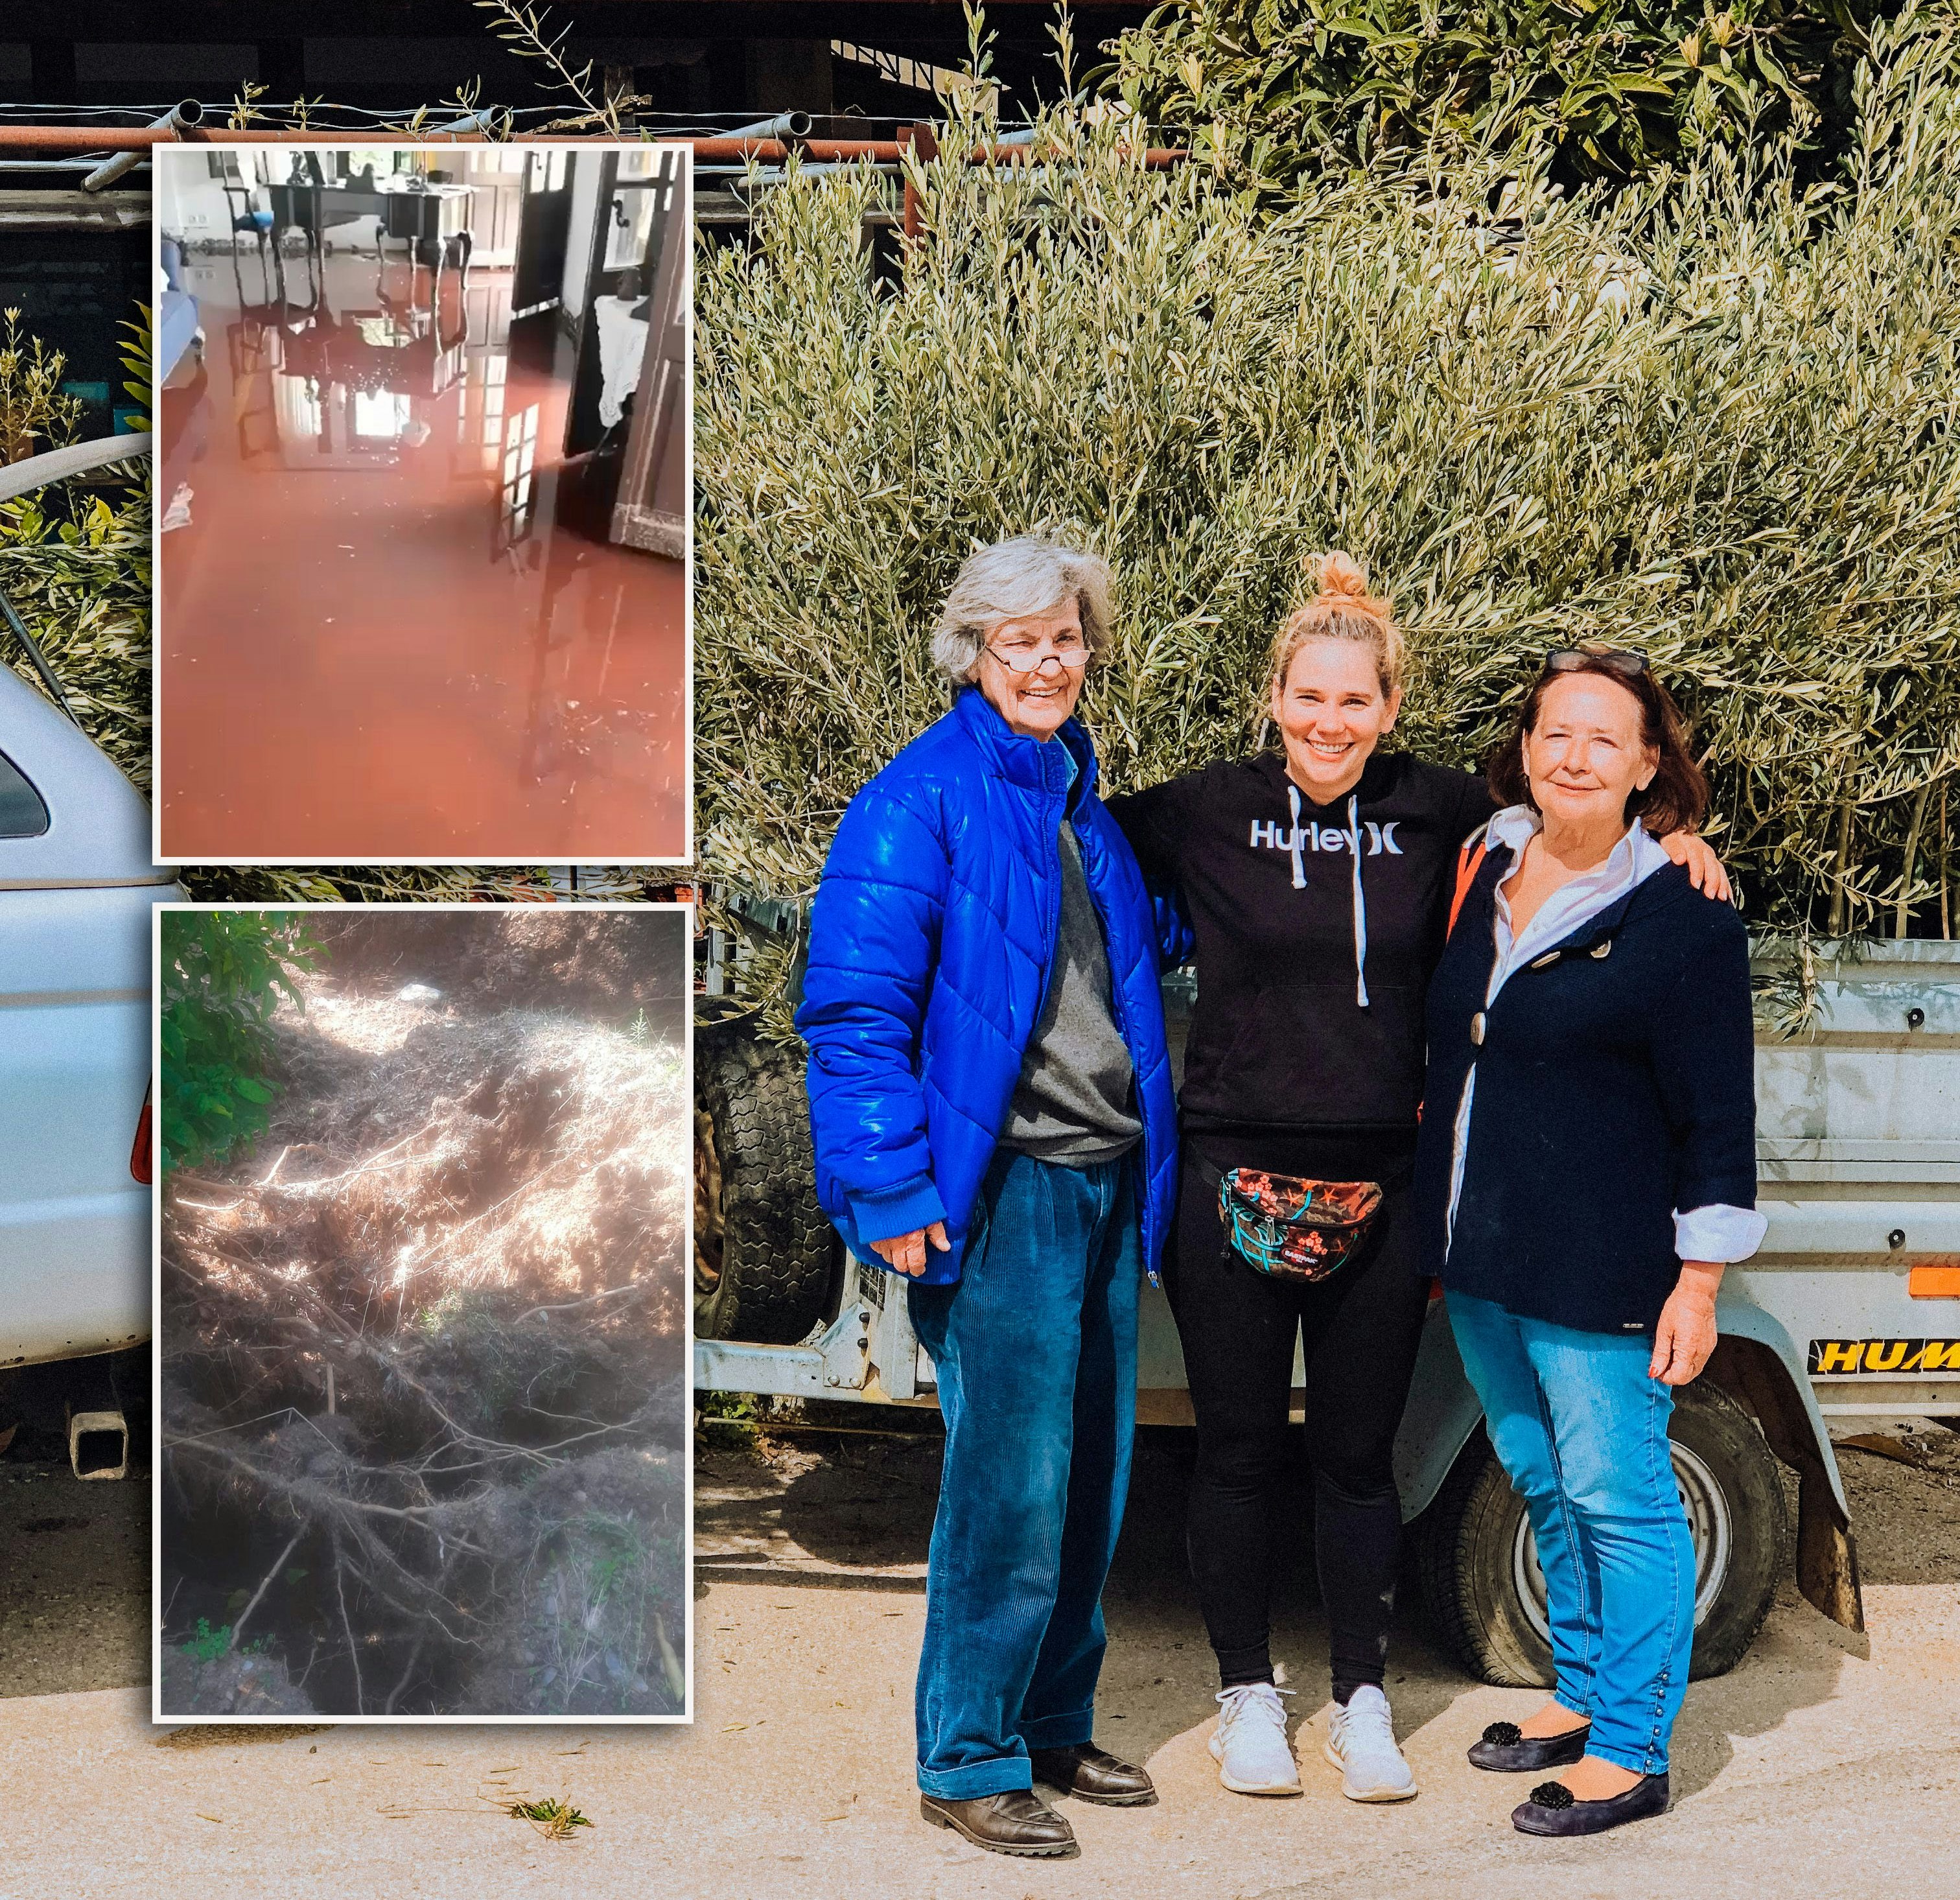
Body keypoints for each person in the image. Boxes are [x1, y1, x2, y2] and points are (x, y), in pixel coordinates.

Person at [1106, 557, 1730, 1804]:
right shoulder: (1201, 811)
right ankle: (1246, 1698)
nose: (1329, 723)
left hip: (1390, 1191)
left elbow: (1584, 831)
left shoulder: (1442, 811)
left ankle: (1363, 1699)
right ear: (1272, 697)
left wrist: (1677, 838)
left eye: (1356, 700)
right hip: (1232, 1179)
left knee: (1355, 1459)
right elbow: (1065, 835)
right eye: (1308, 697)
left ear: (1392, 708)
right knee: (1235, 1452)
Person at [797, 534, 1180, 1860]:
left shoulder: (1081, 803)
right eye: (1021, 641)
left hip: (1103, 1178)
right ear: (974, 651)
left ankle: (1052, 1725)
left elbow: (1142, 953)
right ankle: (966, 1754)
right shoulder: (915, 800)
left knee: (1093, 1484)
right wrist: (889, 1184)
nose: (1048, 661)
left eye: (1066, 638)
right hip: (1002, 1189)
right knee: (1009, 1488)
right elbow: (854, 1014)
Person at [1412, 645, 1765, 1838]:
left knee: (1623, 1501)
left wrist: (1701, 1280)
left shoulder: (1684, 916)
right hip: (1482, 1261)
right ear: (1525, 750)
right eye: (1555, 733)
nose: (1574, 756)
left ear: (1647, 764)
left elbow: (1719, 1116)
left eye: (1603, 739)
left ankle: (1632, 1749)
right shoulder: (1492, 857)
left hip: (1604, 1269)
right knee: (1543, 1484)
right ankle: (1578, 1692)